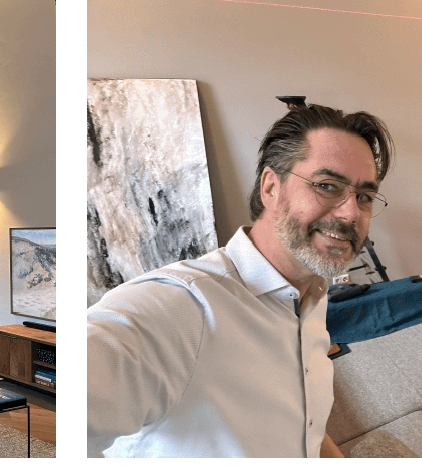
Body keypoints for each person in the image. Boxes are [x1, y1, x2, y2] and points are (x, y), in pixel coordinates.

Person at [87, 103, 392, 457]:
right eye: (326, 185)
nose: (351, 212)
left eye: (364, 197)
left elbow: (303, 425)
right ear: (271, 187)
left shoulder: (311, 297)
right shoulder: (181, 305)